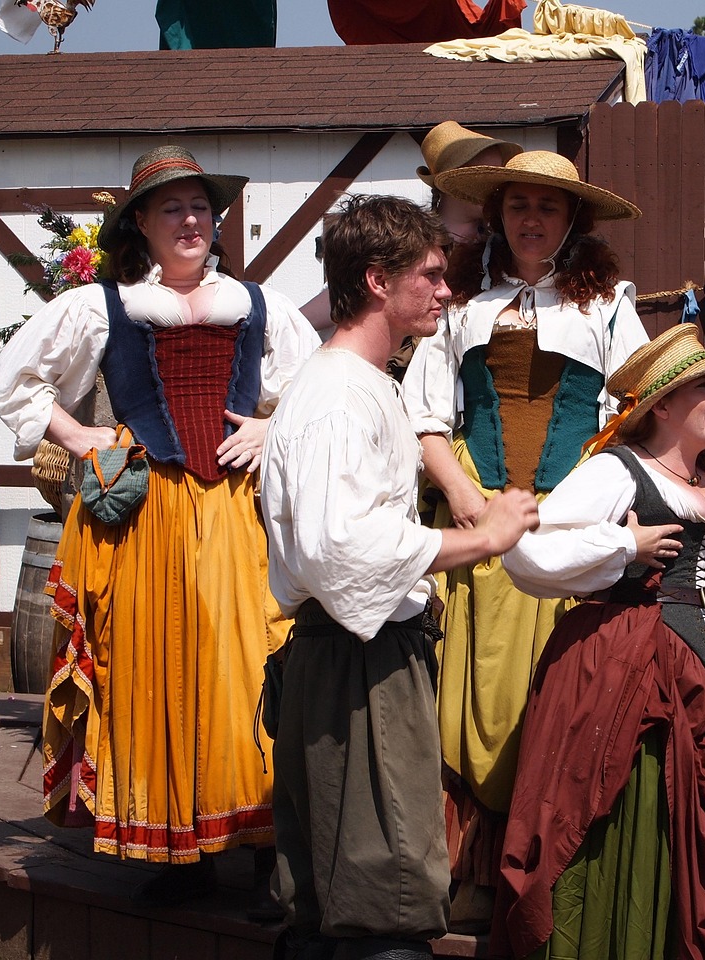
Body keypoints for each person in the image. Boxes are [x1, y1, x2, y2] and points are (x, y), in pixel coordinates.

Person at [0, 145, 320, 903]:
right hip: (145, 516)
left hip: (237, 511)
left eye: (201, 204)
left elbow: (314, 384)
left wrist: (273, 429)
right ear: (140, 224)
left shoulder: (255, 305)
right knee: (157, 671)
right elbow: (15, 374)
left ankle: (267, 846)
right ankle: (180, 851)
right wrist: (79, 437)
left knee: (249, 670)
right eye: (172, 206)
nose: (191, 218)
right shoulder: (100, 306)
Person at [258, 194, 541, 960]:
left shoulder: (368, 384)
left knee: (353, 892)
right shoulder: (336, 397)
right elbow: (340, 544)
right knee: (379, 895)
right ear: (378, 281)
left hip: (369, 653)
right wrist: (482, 539)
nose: (446, 291)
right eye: (430, 275)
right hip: (358, 662)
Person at [399, 149, 649, 923]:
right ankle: (461, 865)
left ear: (573, 219)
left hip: (569, 523)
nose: (532, 219)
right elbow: (425, 416)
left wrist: (583, 507)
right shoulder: (463, 303)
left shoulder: (607, 305)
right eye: (518, 206)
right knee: (464, 691)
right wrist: (467, 498)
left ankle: (536, 873)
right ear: (497, 216)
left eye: (549, 206)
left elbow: (636, 411)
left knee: (550, 691)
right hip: (475, 522)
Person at [497, 322, 705, 960]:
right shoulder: (616, 472)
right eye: (704, 386)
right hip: (622, 673)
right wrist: (626, 545)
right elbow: (525, 553)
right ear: (661, 404)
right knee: (618, 810)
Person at [299, 120, 522, 362]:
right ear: (453, 183)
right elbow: (310, 315)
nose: (494, 189)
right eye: (482, 177)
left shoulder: (505, 249)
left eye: (499, 178)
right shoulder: (403, 242)